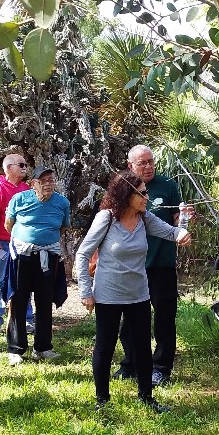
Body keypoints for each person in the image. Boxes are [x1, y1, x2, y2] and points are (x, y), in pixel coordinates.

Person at [75, 170, 190, 413]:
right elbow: (83, 253)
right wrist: (86, 291)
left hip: (138, 293)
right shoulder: (106, 218)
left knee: (141, 346)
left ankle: (147, 397)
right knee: (105, 346)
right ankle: (102, 400)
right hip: (108, 294)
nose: (147, 197)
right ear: (127, 194)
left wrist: (183, 231)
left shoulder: (145, 218)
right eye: (142, 193)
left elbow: (171, 232)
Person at [115, 145, 189, 386]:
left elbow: (178, 223)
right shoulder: (123, 186)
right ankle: (131, 363)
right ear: (130, 165)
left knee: (164, 318)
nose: (148, 167)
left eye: (151, 162)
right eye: (142, 163)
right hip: (131, 266)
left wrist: (187, 218)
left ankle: (161, 367)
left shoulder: (167, 185)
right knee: (130, 317)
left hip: (161, 264)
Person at [4, 166, 70, 365]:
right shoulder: (20, 199)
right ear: (33, 184)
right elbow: (9, 224)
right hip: (22, 256)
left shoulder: (62, 202)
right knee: (18, 300)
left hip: (48, 257)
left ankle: (42, 347)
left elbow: (63, 227)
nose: (48, 183)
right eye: (43, 180)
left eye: (51, 179)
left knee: (44, 301)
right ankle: (16, 349)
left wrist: (45, 243)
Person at [0, 153, 31, 337]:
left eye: (25, 164)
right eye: (21, 164)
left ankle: (26, 319)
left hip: (24, 243)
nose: (24, 167)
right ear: (9, 168)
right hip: (3, 243)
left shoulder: (27, 189)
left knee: (24, 282)